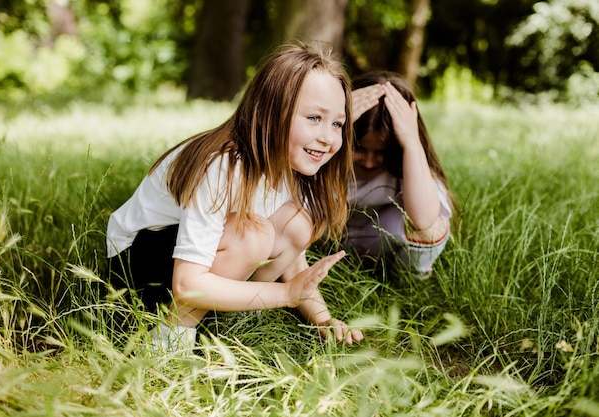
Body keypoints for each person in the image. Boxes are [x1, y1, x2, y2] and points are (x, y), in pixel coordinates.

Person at [106, 41, 363, 352]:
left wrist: (324, 321)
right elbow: (187, 283)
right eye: (314, 118)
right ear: (271, 113)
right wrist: (285, 295)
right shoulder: (223, 165)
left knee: (296, 224)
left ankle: (219, 323)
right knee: (254, 234)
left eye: (337, 123)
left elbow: (293, 262)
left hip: (190, 265)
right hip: (137, 263)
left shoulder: (291, 163)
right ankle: (167, 341)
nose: (327, 137)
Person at [345, 71, 453, 280]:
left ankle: (407, 288)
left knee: (431, 228)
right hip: (325, 243)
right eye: (358, 149)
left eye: (381, 152)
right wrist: (336, 121)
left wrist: (411, 143)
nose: (368, 162)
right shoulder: (324, 151)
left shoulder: (407, 161)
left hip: (376, 245)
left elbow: (424, 220)